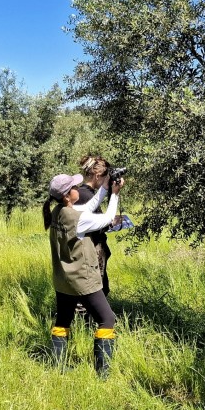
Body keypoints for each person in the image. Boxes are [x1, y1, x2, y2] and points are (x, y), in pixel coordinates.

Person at [43, 172, 123, 378]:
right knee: (106, 320)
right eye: (74, 187)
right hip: (83, 279)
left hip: (63, 280)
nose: (78, 189)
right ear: (67, 196)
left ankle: (58, 367)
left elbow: (86, 208)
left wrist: (105, 187)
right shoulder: (78, 220)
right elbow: (106, 219)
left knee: (63, 321)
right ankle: (103, 375)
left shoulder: (57, 211)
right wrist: (115, 194)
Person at [75, 155, 113, 297]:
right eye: (105, 178)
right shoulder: (87, 196)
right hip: (92, 248)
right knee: (95, 289)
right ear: (97, 176)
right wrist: (110, 222)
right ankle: (91, 318)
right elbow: (95, 224)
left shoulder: (81, 193)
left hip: (89, 248)